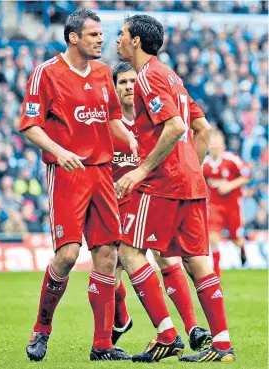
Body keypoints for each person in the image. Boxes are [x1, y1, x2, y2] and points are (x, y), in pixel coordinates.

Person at [115, 14, 236, 363]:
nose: (118, 39)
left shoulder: (148, 76)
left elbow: (175, 126)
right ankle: (223, 346)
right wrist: (191, 170)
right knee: (196, 261)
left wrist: (142, 170)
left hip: (163, 182)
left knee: (129, 251)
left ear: (136, 41)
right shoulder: (171, 76)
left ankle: (167, 334)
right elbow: (203, 129)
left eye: (123, 34)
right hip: (190, 182)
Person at [19, 9, 137, 362]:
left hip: (103, 173)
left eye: (102, 34)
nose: (102, 40)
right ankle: (41, 330)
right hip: (68, 173)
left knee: (107, 255)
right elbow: (29, 124)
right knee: (68, 256)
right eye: (94, 35)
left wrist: (131, 141)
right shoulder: (47, 73)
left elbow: (113, 118)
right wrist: (59, 150)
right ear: (73, 37)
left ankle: (102, 345)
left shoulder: (103, 73)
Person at [111, 61, 212, 352]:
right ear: (115, 88)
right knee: (110, 267)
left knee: (167, 259)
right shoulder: (109, 123)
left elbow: (191, 131)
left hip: (151, 196)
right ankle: (116, 326)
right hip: (117, 205)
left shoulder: (155, 115)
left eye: (132, 81)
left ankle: (189, 329)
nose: (129, 87)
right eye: (123, 83)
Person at [203, 130, 251, 277]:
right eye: (212, 142)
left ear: (223, 145)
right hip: (215, 206)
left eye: (218, 141)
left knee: (236, 238)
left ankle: (242, 249)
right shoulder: (205, 163)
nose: (215, 144)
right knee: (213, 236)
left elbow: (247, 175)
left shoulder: (231, 160)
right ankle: (216, 273)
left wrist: (229, 185)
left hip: (232, 206)